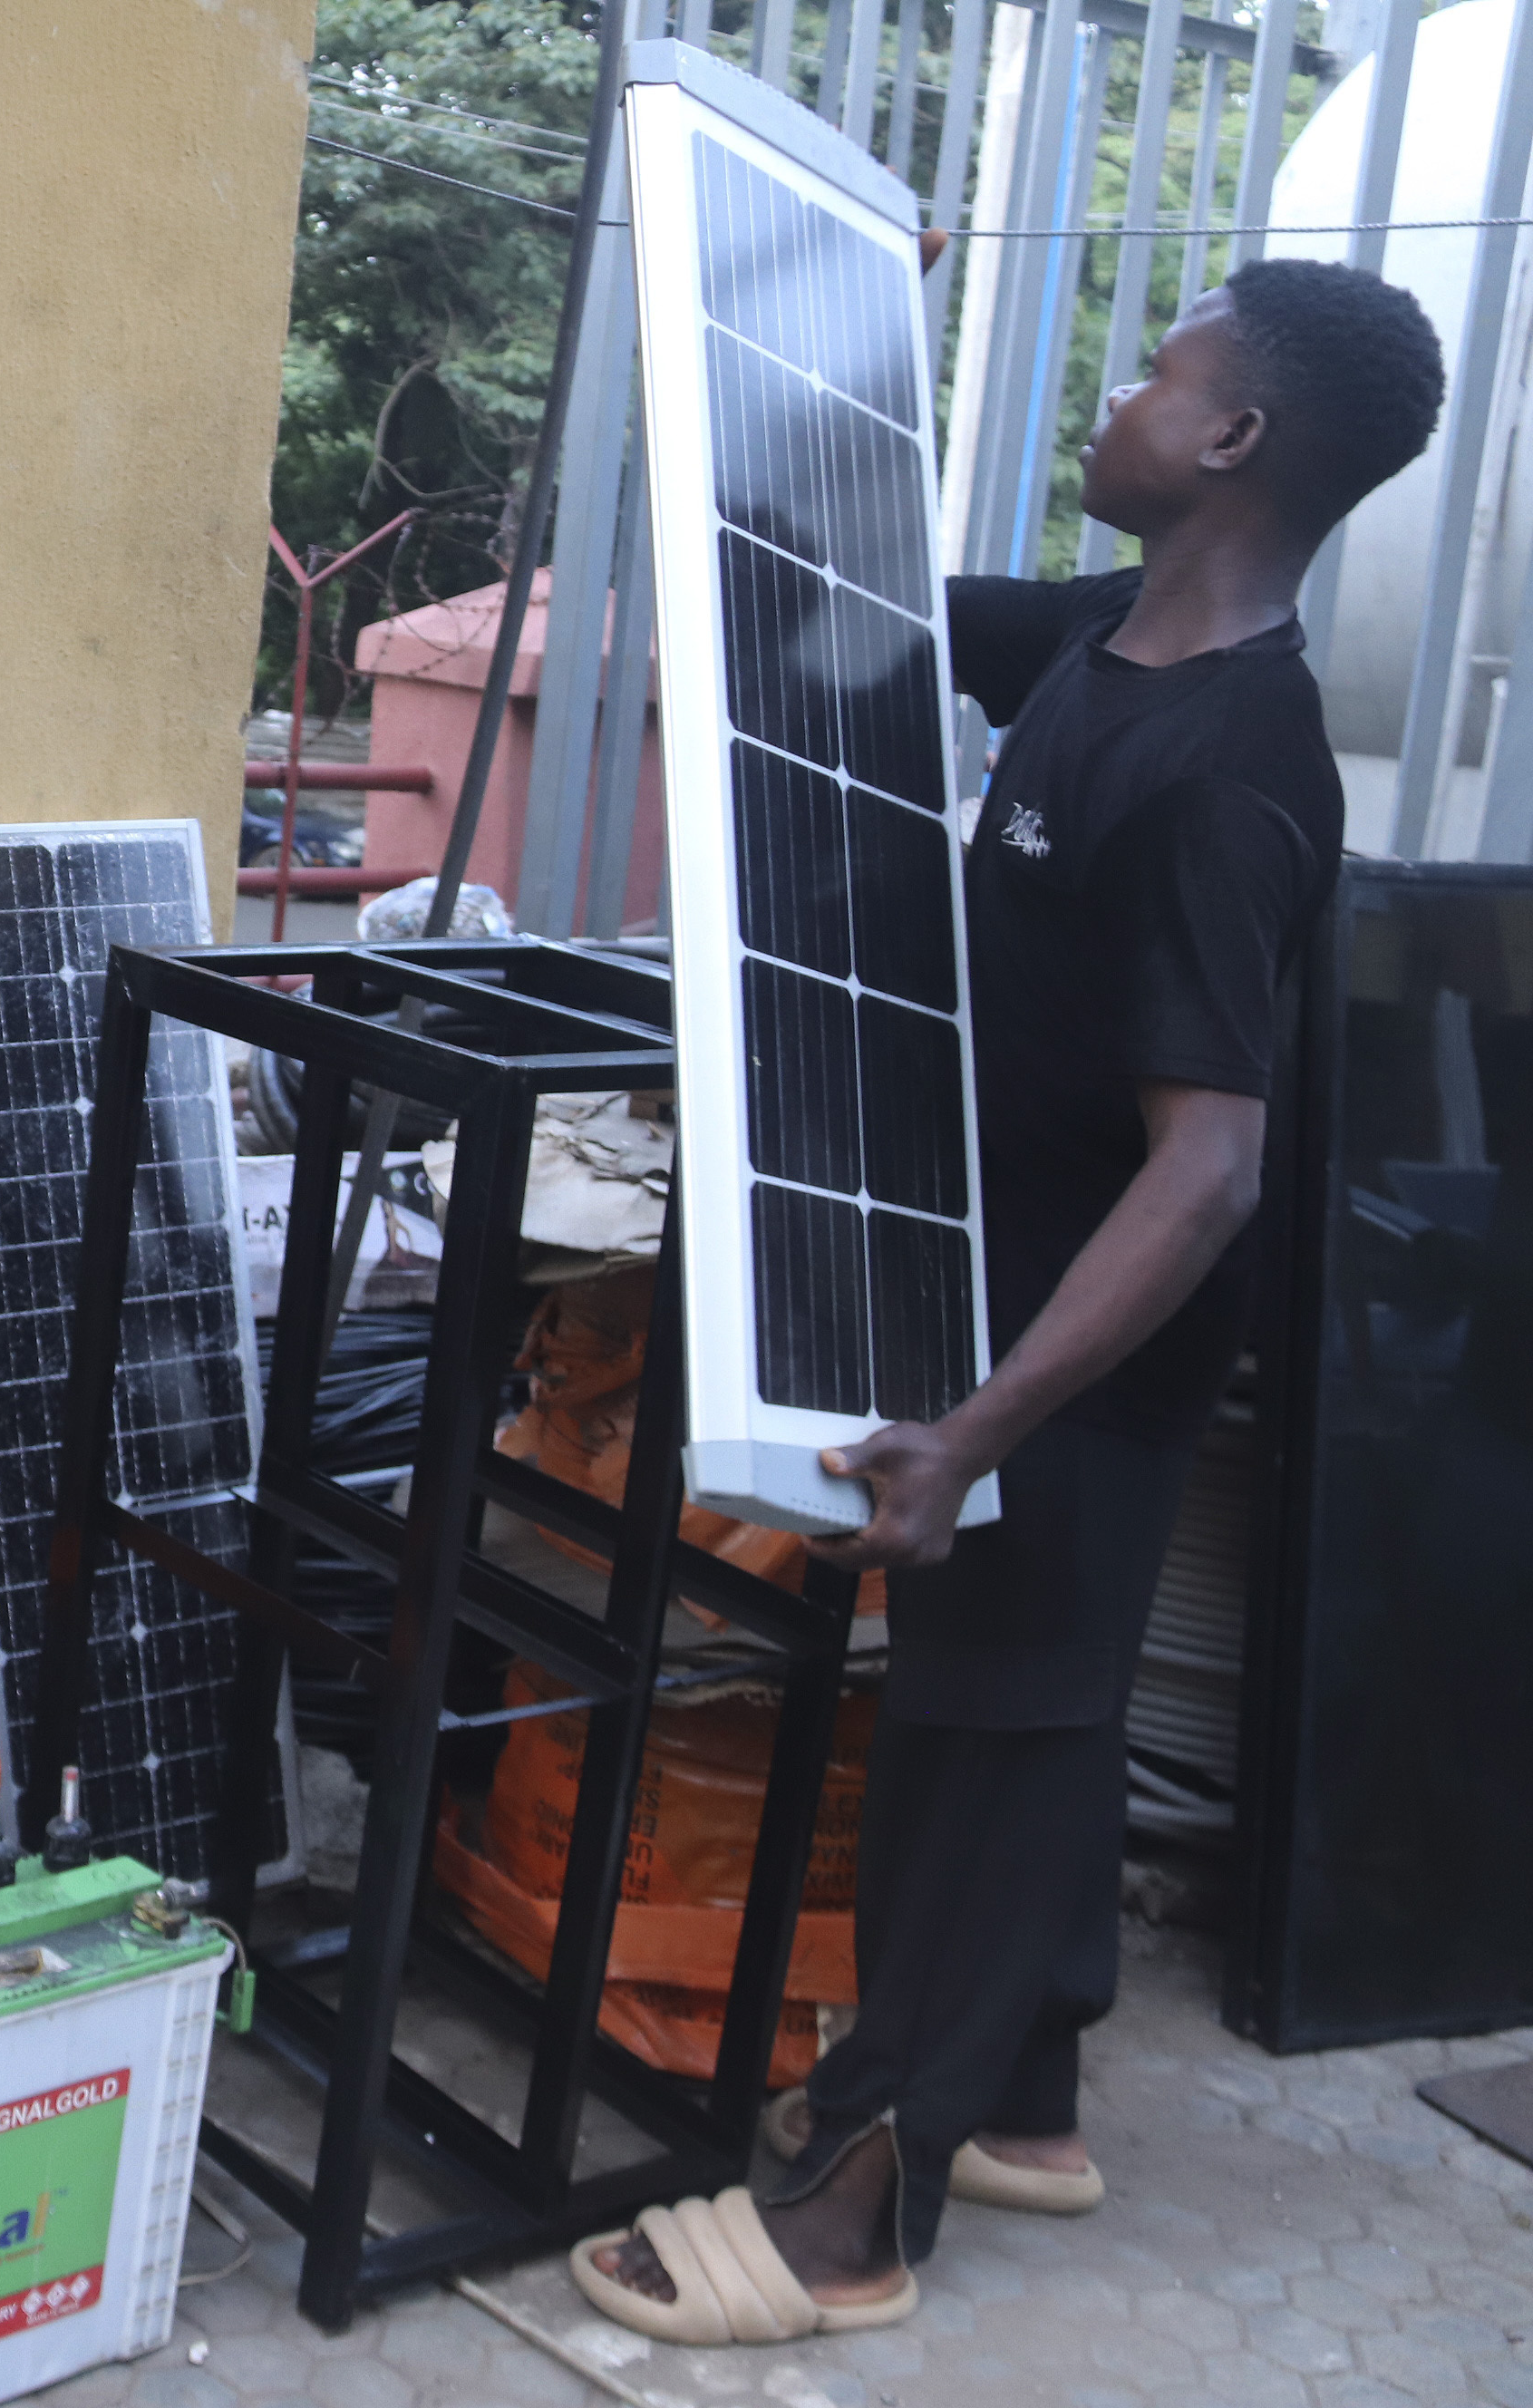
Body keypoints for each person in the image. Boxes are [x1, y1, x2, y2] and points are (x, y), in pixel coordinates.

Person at [575, 254, 1449, 2344]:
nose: (1119, 393)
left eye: (1159, 372)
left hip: (1074, 1363)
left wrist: (984, 1426)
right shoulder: (1108, 641)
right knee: (1033, 1716)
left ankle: (853, 2211)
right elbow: (827, 610)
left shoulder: (1234, 768)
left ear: (1234, 438)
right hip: (999, 1296)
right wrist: (830, 334)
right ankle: (1030, 2104)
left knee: (979, 1748)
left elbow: (1211, 1162)